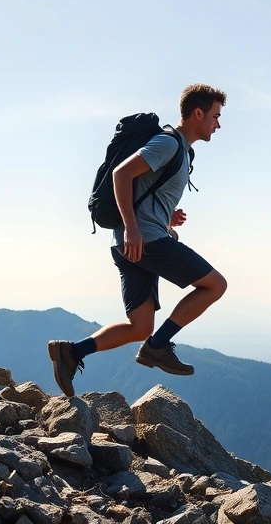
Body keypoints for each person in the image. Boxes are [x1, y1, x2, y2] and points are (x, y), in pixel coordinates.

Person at [47, 84, 228, 397]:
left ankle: (71, 352)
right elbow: (121, 174)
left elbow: (144, 189)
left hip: (131, 244)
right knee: (215, 285)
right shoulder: (169, 143)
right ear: (197, 113)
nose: (218, 123)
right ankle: (158, 347)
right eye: (215, 115)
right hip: (145, 241)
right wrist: (133, 226)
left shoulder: (183, 150)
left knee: (140, 326)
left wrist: (165, 214)